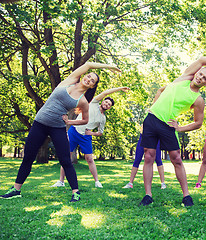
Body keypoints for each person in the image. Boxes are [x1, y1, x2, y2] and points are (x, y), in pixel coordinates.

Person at [0, 62, 120, 202]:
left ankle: (76, 193)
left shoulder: (83, 101)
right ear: (84, 76)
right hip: (39, 124)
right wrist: (108, 67)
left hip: (57, 128)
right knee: (28, 157)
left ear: (92, 86)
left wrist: (69, 122)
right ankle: (16, 189)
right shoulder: (69, 81)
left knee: (65, 160)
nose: (88, 79)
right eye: (88, 76)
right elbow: (88, 64)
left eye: (92, 81)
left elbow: (85, 120)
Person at [139, 56, 206, 207]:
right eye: (200, 74)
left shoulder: (198, 99)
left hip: (168, 125)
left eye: (204, 78)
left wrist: (179, 128)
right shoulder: (184, 77)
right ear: (197, 72)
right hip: (151, 120)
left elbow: (198, 123)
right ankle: (148, 195)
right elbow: (202, 59)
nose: (200, 78)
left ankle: (186, 195)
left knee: (176, 159)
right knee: (149, 156)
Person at [51, 86, 130, 189]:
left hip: (85, 137)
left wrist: (91, 133)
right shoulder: (94, 103)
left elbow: (100, 133)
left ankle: (97, 181)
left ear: (109, 108)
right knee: (67, 157)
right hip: (74, 131)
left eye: (109, 105)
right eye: (106, 102)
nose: (106, 104)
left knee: (89, 159)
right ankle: (61, 181)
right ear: (103, 102)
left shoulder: (103, 118)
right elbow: (106, 92)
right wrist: (119, 89)